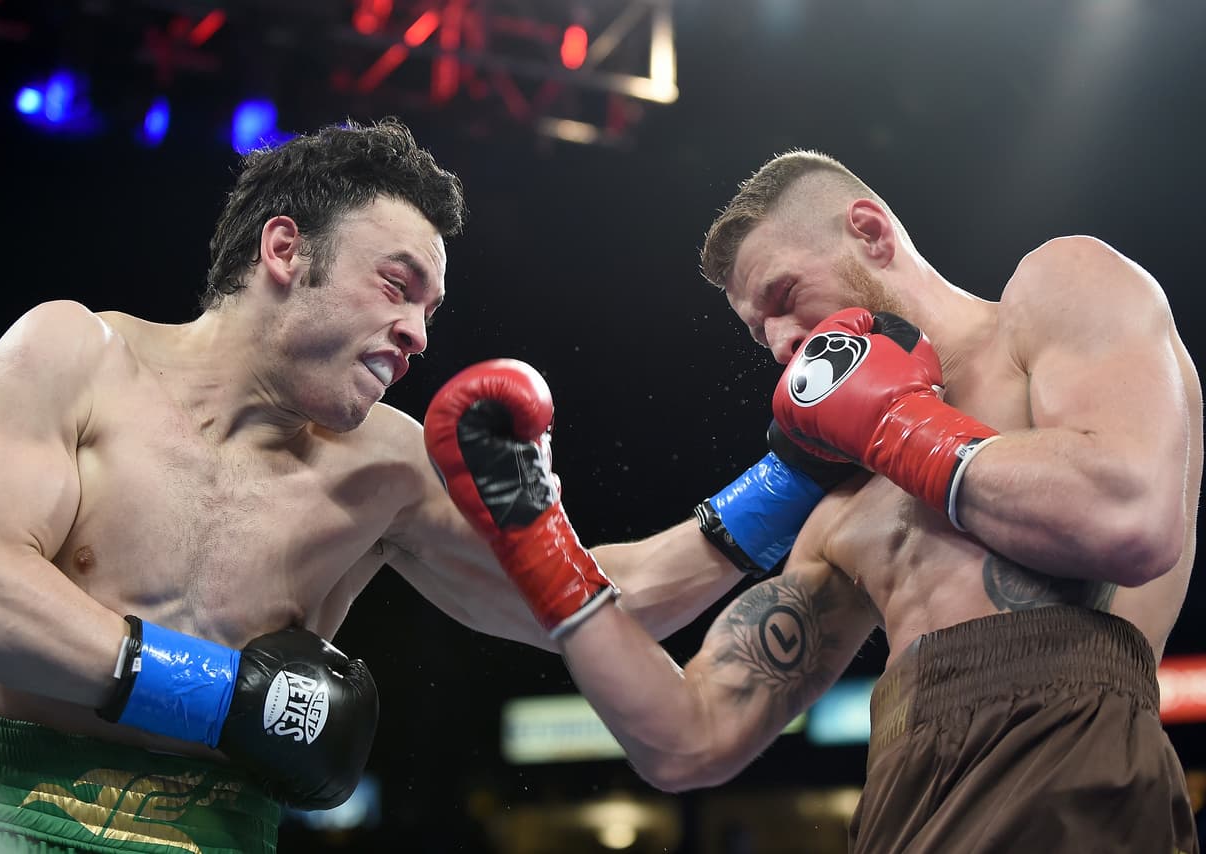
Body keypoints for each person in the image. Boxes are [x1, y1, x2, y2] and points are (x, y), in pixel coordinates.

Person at [0, 117, 794, 854]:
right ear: (284, 249)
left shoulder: (389, 468)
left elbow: (605, 602)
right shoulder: (74, 357)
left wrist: (795, 476)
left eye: (430, 309)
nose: (417, 334)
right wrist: (229, 694)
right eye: (396, 285)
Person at [426, 149, 1202, 853]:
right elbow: (690, 738)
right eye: (757, 329)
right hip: (903, 807)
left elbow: (1131, 517)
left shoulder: (1054, 294)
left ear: (869, 232)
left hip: (1078, 776)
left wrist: (898, 424)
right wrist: (537, 538)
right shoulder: (844, 511)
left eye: (785, 294)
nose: (778, 341)